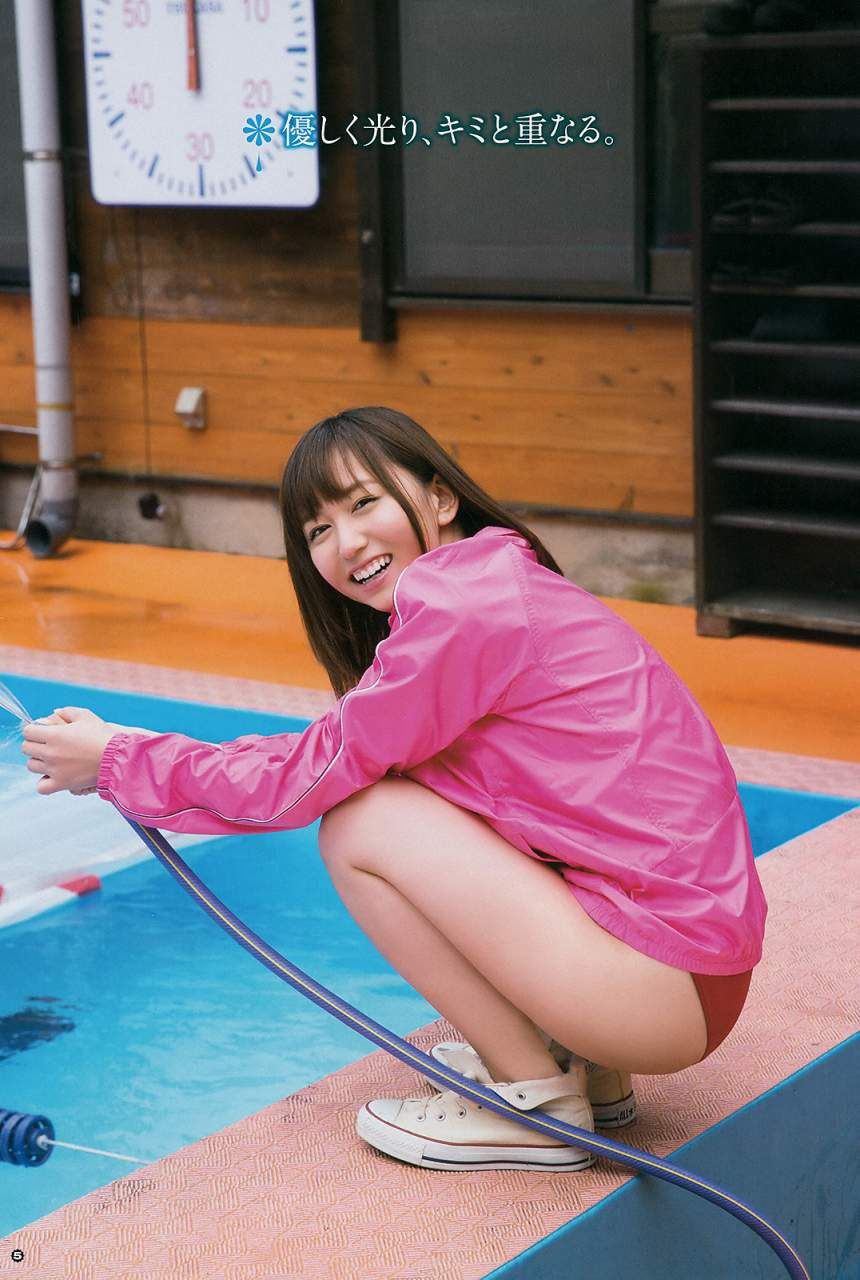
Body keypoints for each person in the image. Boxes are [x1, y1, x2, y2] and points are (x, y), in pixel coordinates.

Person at [22, 406, 767, 1173]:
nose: (345, 543)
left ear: (440, 498)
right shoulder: (494, 583)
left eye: (363, 503)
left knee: (361, 822)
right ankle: (578, 1063)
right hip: (685, 975)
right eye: (318, 530)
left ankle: (536, 1100)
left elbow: (305, 776)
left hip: (661, 986)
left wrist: (117, 758)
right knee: (414, 794)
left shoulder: (465, 609)